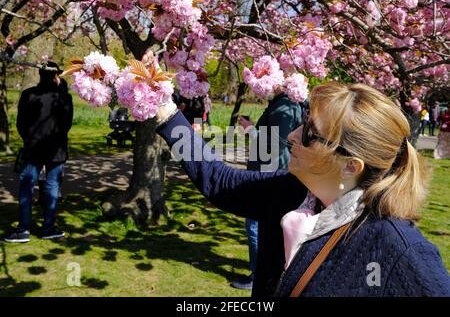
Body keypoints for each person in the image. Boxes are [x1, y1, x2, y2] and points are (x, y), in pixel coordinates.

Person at [154, 81, 450, 296]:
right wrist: (166, 111)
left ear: (351, 165)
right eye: (303, 122)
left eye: (310, 133)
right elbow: (217, 180)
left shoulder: (400, 250)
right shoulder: (286, 191)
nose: (292, 136)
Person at [232, 91, 303, 290]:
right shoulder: (287, 103)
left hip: (268, 176)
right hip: (273, 174)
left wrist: (249, 130)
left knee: (254, 226)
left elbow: (275, 147)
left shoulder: (284, 106)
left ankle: (258, 274)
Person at [5, 61, 73, 243]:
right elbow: (66, 125)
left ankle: (23, 229)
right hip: (56, 149)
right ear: (55, 75)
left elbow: (21, 124)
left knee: (27, 187)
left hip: (33, 147)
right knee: (52, 187)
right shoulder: (64, 98)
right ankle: (48, 227)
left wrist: (29, 138)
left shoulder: (29, 95)